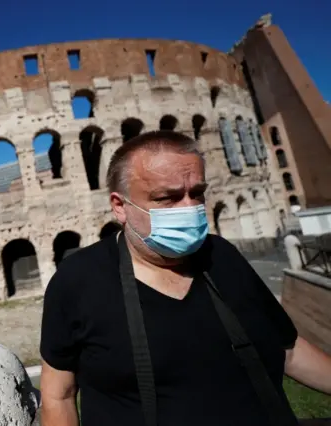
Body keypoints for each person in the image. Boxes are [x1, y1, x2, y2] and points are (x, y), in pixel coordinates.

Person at [39, 130, 331, 426]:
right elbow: (58, 396)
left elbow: (286, 349)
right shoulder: (78, 281)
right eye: (168, 198)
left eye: (197, 193)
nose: (190, 208)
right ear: (120, 206)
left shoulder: (222, 255)